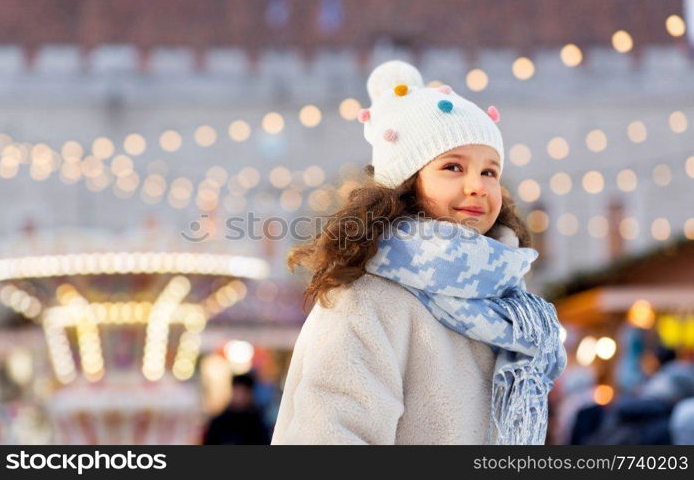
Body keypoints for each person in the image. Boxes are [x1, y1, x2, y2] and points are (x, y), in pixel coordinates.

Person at [271, 60, 567, 445]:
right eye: (453, 167)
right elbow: (329, 434)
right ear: (407, 185)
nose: (477, 185)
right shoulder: (367, 302)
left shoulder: (508, 307)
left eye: (489, 171)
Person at [203, 373, 270, 445]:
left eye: (244, 392)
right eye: (238, 392)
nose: (240, 397)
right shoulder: (218, 422)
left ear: (250, 394)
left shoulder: (258, 423)